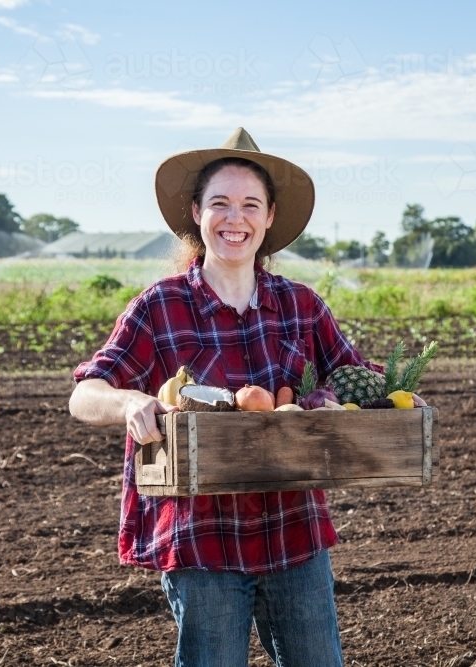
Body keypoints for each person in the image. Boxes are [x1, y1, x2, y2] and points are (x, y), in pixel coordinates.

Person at [69, 128, 384, 667]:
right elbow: (85, 394)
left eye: (249, 205)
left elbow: (359, 383)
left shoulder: (301, 306)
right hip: (201, 539)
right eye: (220, 203)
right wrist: (128, 404)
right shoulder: (160, 306)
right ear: (196, 212)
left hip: (295, 534)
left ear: (268, 217)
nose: (233, 218)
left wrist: (396, 400)